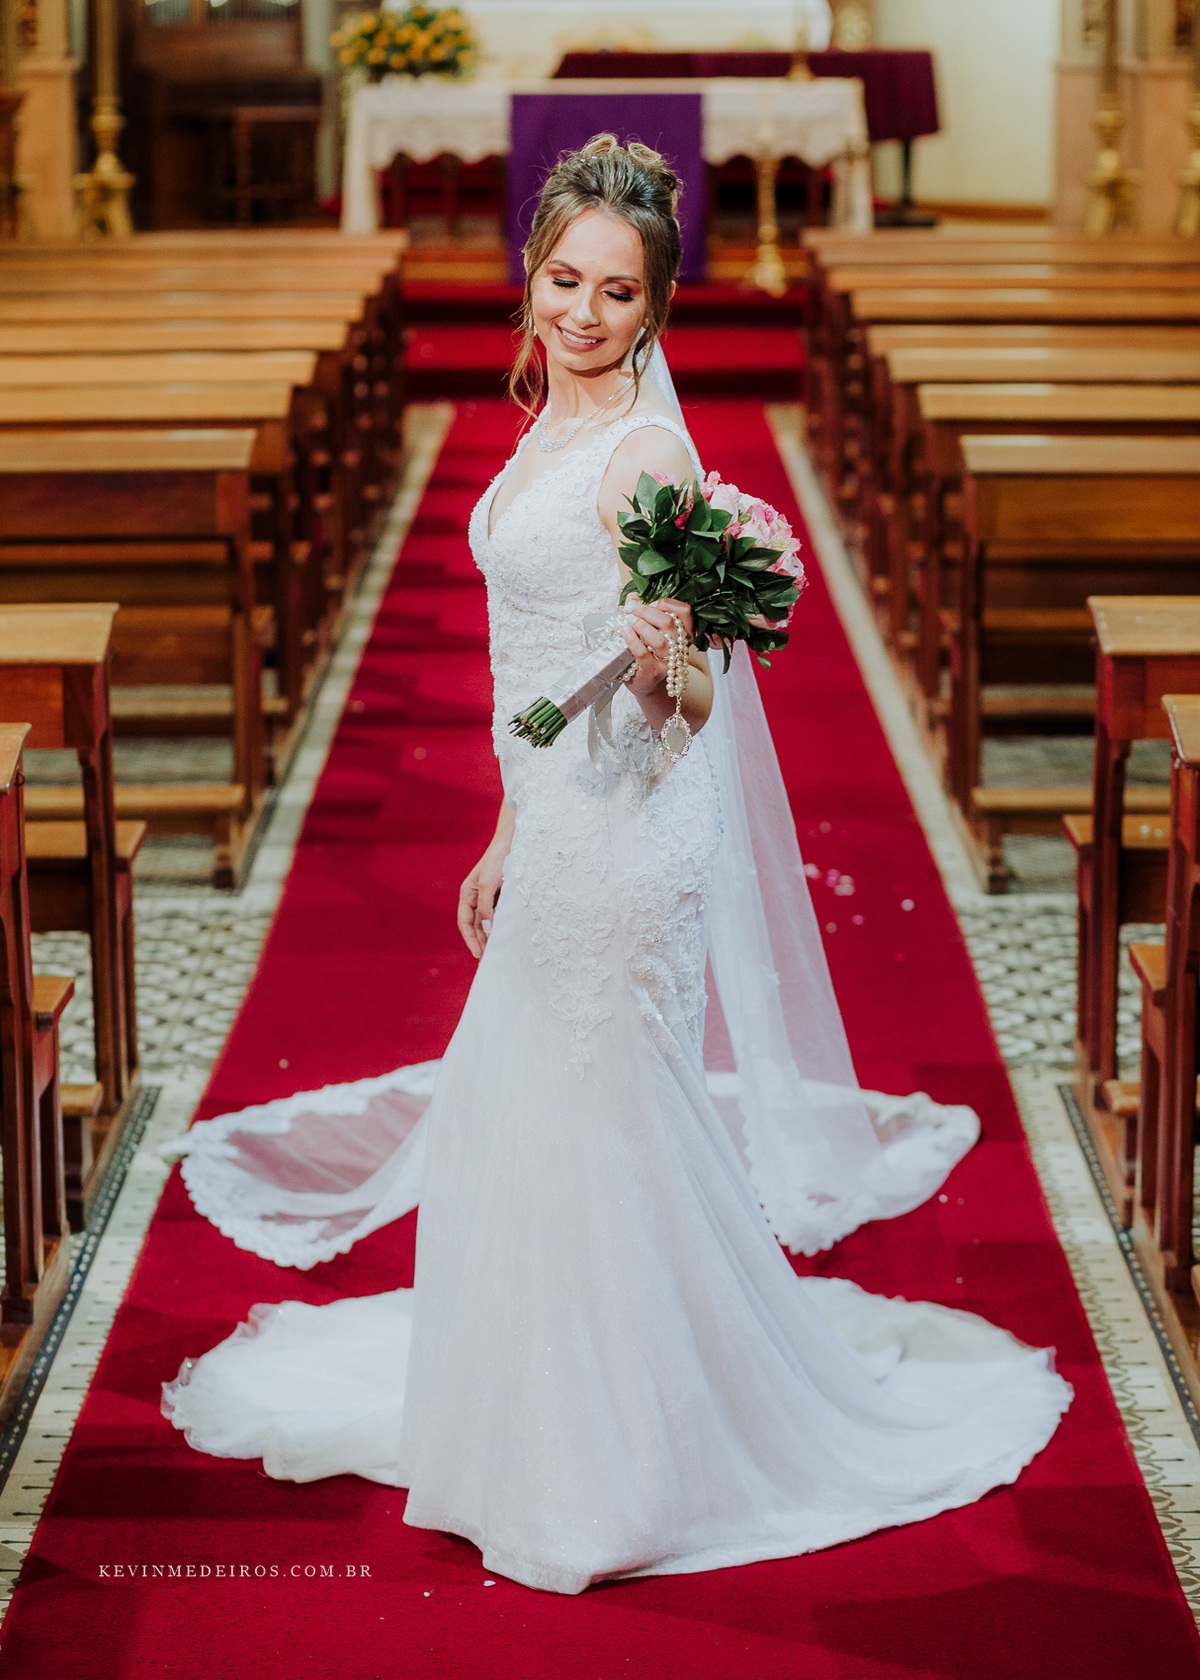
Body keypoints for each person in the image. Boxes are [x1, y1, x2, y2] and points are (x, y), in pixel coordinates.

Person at [163, 136, 1071, 1596]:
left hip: (633, 837)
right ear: (530, 276)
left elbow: (689, 701)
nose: (582, 313)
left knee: (608, 1118)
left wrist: (662, 666)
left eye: (617, 291)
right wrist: (507, 827)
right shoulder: (546, 423)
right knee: (547, 1117)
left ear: (656, 306)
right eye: (564, 281)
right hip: (559, 817)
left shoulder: (646, 453)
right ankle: (546, 1411)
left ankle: (622, 1462)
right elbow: (527, 661)